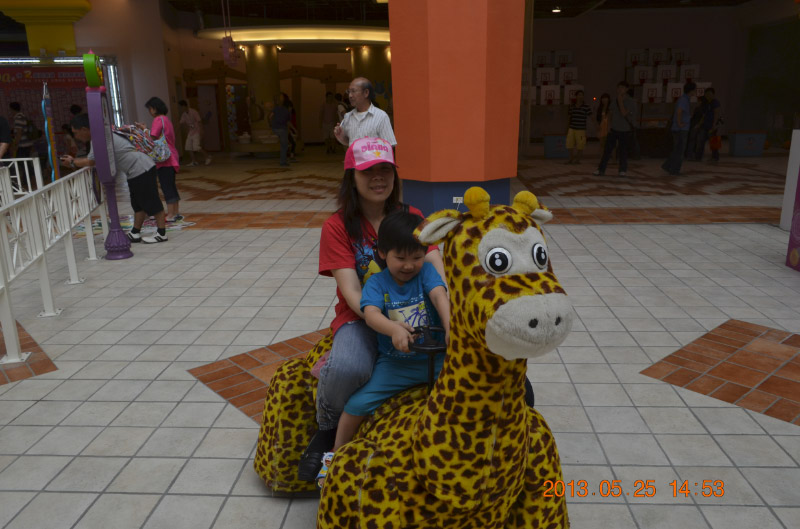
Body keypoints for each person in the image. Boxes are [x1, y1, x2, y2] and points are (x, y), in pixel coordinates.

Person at [296, 136, 446, 482]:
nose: (378, 177)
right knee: (348, 368)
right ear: (352, 176)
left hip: (417, 312)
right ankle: (326, 430)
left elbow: (437, 275)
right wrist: (387, 324)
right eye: (368, 171)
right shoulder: (337, 227)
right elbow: (352, 293)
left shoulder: (412, 217)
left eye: (385, 169)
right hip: (363, 317)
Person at [316, 209, 450, 487]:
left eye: (416, 257)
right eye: (400, 258)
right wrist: (393, 329)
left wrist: (451, 327)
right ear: (382, 253)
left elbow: (440, 295)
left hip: (437, 359)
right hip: (395, 364)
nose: (409, 265)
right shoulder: (376, 282)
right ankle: (334, 453)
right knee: (355, 406)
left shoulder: (426, 272)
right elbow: (372, 314)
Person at [61, 114, 168, 243]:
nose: (76, 137)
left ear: (84, 129)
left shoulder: (99, 138)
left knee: (151, 201)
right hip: (137, 170)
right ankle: (135, 232)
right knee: (138, 203)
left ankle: (162, 233)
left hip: (141, 168)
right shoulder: (104, 133)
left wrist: (72, 162)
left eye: (76, 133)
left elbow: (91, 161)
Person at [138, 97, 182, 222]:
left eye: (150, 109)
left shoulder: (158, 119)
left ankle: (171, 214)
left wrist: (144, 129)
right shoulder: (166, 119)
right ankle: (175, 212)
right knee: (171, 186)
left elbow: (153, 136)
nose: (149, 112)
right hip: (172, 155)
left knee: (166, 186)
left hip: (165, 159)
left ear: (154, 109)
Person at [334, 77, 397, 147]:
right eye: (349, 91)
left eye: (353, 91)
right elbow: (349, 142)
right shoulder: (348, 117)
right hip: (354, 155)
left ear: (366, 93)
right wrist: (340, 136)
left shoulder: (381, 116)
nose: (350, 95)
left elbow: (389, 145)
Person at [593, 81, 636, 177]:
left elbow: (624, 113)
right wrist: (609, 126)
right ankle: (601, 169)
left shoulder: (631, 101)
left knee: (623, 151)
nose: (620, 90)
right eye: (618, 88)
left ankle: (622, 170)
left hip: (625, 130)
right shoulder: (614, 100)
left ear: (626, 89)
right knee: (607, 150)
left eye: (622, 88)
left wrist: (620, 101)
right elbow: (610, 113)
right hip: (614, 129)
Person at [662, 81, 697, 176]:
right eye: (695, 90)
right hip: (681, 129)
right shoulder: (684, 99)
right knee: (680, 150)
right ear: (691, 90)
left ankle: (667, 166)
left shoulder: (685, 99)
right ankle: (674, 170)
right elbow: (679, 111)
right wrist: (679, 123)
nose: (695, 92)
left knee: (677, 149)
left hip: (680, 128)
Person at [178, 100, 211, 166]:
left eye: (180, 107)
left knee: (196, 147)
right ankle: (194, 161)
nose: (180, 109)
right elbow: (181, 123)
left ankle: (208, 157)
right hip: (190, 132)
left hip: (197, 131)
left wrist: (201, 131)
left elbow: (199, 121)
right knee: (188, 147)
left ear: (184, 106)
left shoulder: (193, 112)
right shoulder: (184, 114)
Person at [694, 88, 721, 162]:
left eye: (709, 94)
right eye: (706, 94)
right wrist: (699, 124)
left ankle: (715, 157)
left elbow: (717, 114)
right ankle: (698, 157)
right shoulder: (705, 103)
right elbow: (703, 115)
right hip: (704, 125)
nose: (708, 95)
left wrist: (714, 125)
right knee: (700, 141)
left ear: (713, 94)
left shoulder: (715, 102)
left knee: (714, 142)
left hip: (712, 125)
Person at [565, 90, 592, 164]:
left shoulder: (586, 106)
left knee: (580, 145)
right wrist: (566, 128)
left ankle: (577, 160)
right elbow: (569, 117)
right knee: (569, 144)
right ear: (576, 96)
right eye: (579, 95)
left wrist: (596, 125)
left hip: (581, 129)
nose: (580, 96)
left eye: (582, 95)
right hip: (572, 127)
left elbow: (591, 116)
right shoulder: (572, 106)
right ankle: (571, 159)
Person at [269, 94, 291, 167]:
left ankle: (283, 161)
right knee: (284, 146)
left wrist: (271, 125)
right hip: (282, 129)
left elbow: (270, 117)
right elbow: (288, 123)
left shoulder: (276, 108)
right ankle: (283, 162)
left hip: (275, 128)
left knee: (283, 145)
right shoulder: (287, 111)